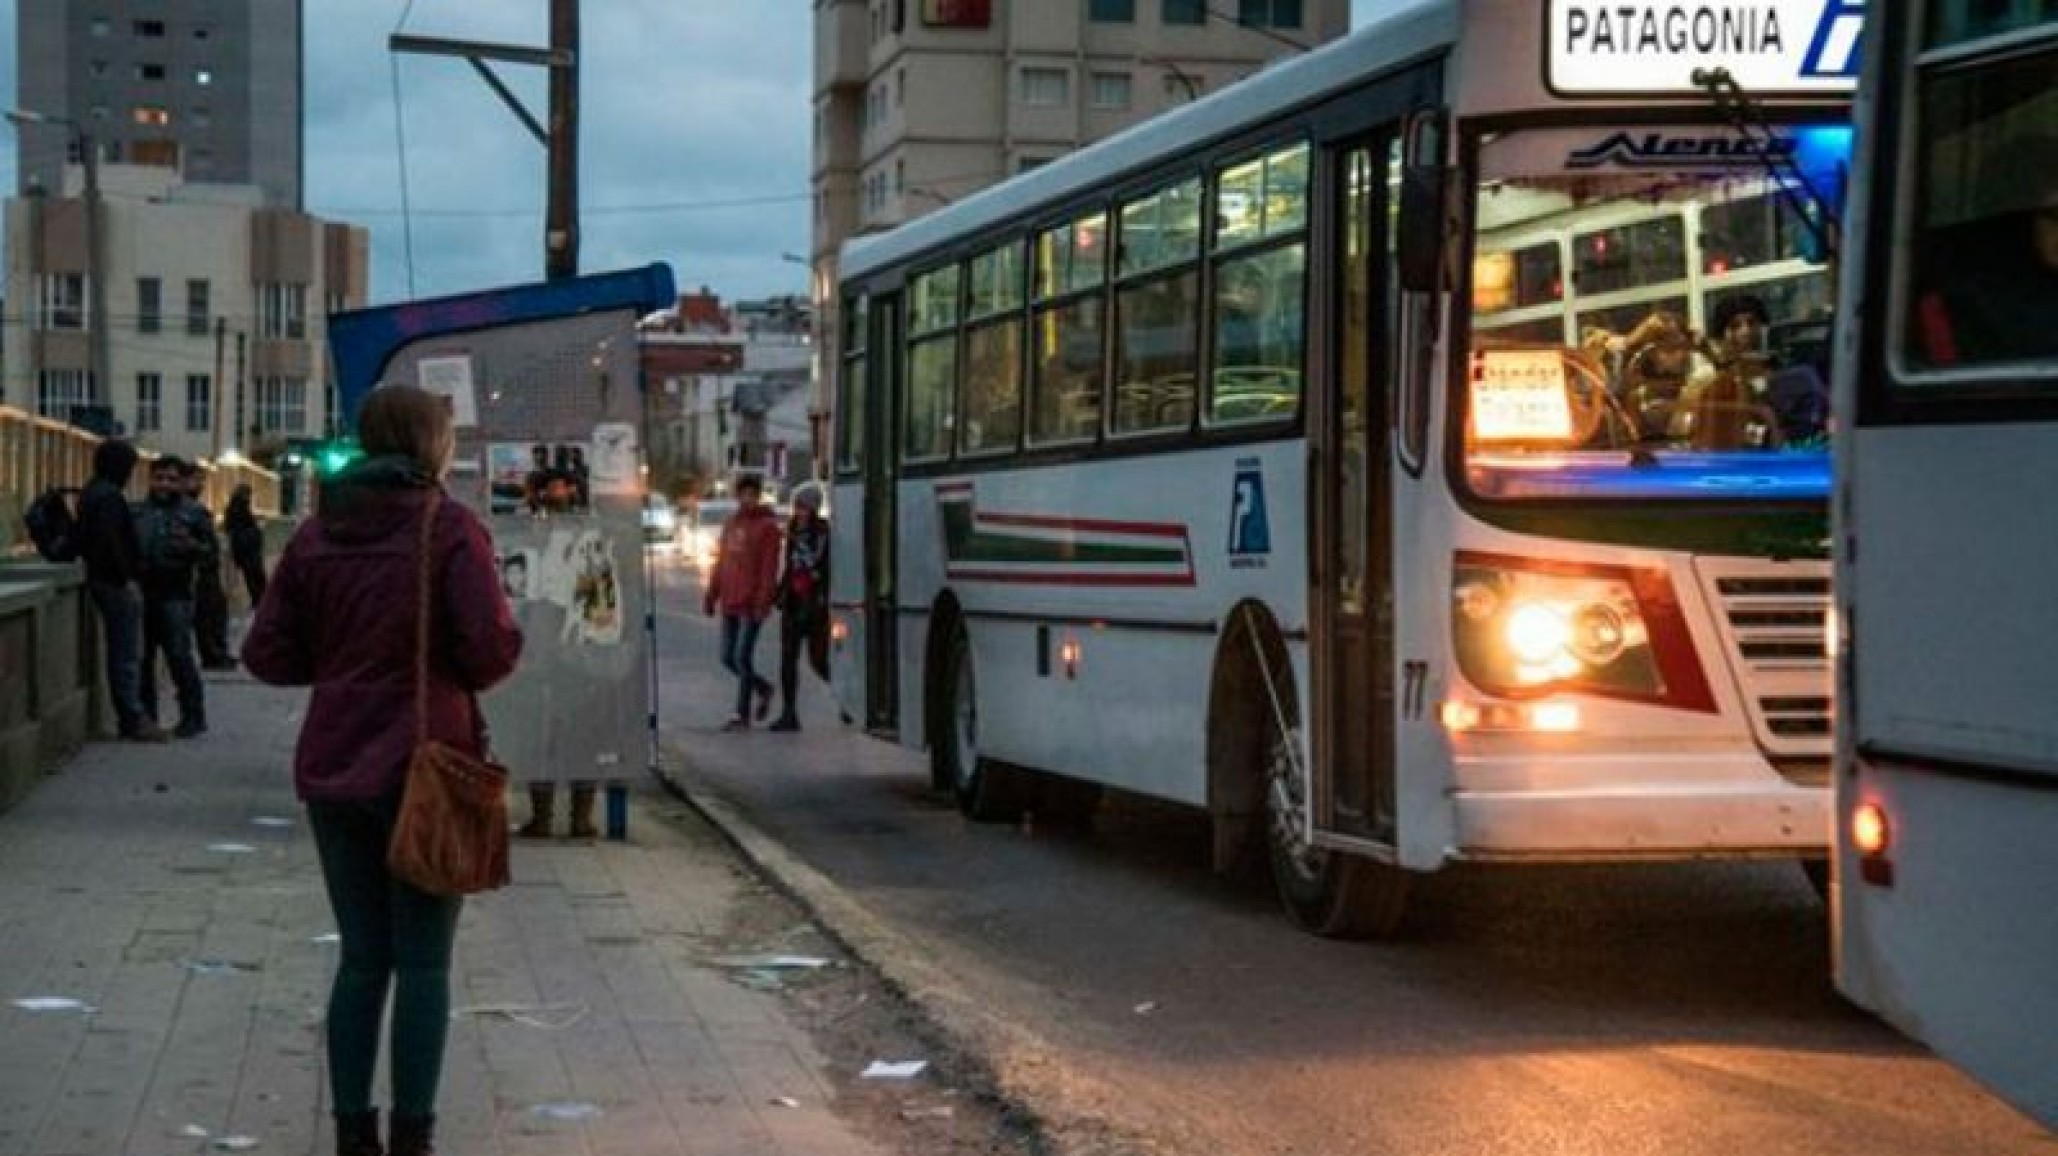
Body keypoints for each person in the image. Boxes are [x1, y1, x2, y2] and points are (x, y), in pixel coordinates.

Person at [242, 384, 522, 1156]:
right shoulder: (450, 528)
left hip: (334, 767)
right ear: (432, 444)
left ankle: (351, 1135)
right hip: (426, 771)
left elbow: (265, 653)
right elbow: (490, 651)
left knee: (362, 957)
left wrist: (341, 663)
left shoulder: (315, 533)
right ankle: (413, 1137)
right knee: (425, 963)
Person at [75, 439, 165, 742]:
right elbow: (112, 543)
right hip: (114, 583)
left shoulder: (92, 492)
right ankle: (132, 718)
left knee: (124, 651)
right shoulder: (109, 498)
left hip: (103, 579)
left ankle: (132, 715)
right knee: (127, 652)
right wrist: (127, 576)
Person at [134, 456, 214, 738]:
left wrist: (191, 547)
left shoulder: (194, 514)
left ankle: (193, 716)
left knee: (179, 657)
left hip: (176, 593)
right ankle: (147, 717)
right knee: (143, 659)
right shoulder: (138, 513)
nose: (164, 484)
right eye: (159, 478)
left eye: (171, 479)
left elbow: (211, 554)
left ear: (181, 482)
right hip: (143, 593)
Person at [701, 475, 782, 731]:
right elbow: (721, 562)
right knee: (727, 657)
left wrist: (762, 602)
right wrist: (711, 594)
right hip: (730, 601)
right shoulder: (731, 524)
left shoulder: (768, 527)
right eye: (742, 494)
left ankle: (741, 714)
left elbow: (768, 570)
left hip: (751, 603)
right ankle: (763, 688)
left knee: (741, 656)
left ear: (757, 495)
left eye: (751, 494)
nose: (746, 499)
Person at [770, 483, 829, 733]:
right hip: (794, 599)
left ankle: (848, 698)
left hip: (814, 602)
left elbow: (823, 567)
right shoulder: (793, 530)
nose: (799, 512)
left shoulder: (823, 532)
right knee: (787, 659)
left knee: (818, 660)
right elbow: (791, 564)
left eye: (803, 507)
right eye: (797, 507)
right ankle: (789, 711)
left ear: (814, 508)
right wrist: (780, 592)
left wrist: (820, 595)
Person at [183, 464, 236, 670]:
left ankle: (217, 653)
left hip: (208, 569)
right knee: (206, 617)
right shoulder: (188, 510)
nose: (200, 485)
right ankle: (213, 655)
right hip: (200, 572)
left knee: (215, 614)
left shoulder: (195, 508)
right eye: (196, 480)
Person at [224, 484, 268, 609]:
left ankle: (257, 600)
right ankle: (260, 601)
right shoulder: (241, 508)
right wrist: (257, 530)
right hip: (249, 549)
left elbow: (230, 528)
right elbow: (247, 527)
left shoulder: (232, 508)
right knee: (256, 576)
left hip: (241, 550)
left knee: (251, 577)